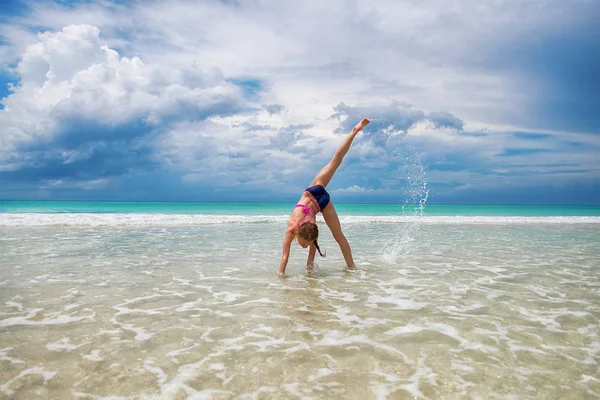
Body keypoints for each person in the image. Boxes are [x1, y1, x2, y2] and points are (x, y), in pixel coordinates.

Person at [278, 117, 370, 276]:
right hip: (319, 198)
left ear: (300, 235)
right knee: (338, 236)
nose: (305, 246)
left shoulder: (306, 231)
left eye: (306, 244)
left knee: (336, 161)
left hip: (317, 194)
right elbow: (285, 256)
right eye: (305, 244)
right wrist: (282, 276)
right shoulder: (295, 230)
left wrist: (308, 269)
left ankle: (351, 266)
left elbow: (311, 247)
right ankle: (351, 266)